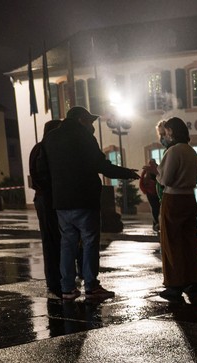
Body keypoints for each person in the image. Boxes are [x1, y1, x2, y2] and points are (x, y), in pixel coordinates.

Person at [36, 106, 139, 301]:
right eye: (90, 121)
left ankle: (67, 288)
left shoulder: (50, 139)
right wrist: (126, 173)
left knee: (67, 243)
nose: (92, 125)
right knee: (90, 242)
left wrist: (56, 190)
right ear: (81, 119)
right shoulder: (84, 137)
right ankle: (91, 286)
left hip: (61, 202)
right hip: (84, 200)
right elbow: (101, 166)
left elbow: (43, 169)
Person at [156, 116, 197, 302]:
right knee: (190, 241)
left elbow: (166, 179)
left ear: (172, 132)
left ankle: (175, 283)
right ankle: (195, 280)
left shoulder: (173, 151)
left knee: (172, 241)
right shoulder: (191, 151)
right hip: (189, 198)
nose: (165, 135)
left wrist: (155, 172)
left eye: (166, 131)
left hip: (173, 198)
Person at [29, 119, 62, 298]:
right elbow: (43, 177)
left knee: (55, 240)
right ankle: (55, 281)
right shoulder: (44, 149)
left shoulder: (42, 148)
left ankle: (58, 279)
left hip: (47, 198)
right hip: (47, 199)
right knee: (51, 240)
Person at [139, 158, 161, 232]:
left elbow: (142, 181)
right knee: (155, 207)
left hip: (154, 192)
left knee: (156, 208)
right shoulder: (149, 170)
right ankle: (156, 222)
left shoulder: (153, 170)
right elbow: (142, 181)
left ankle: (156, 223)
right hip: (152, 192)